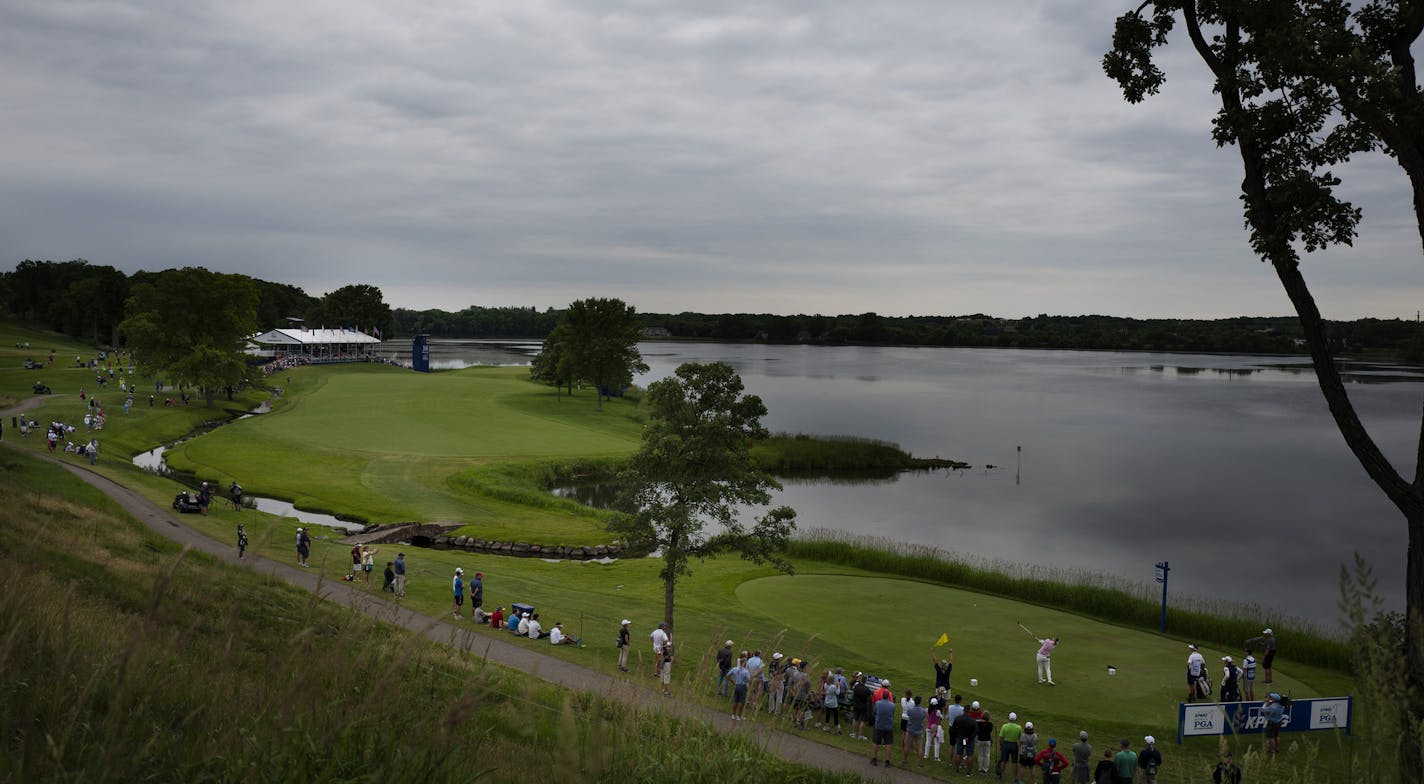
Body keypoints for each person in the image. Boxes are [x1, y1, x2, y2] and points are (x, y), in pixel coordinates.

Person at [870, 685, 896, 767]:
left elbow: (874, 713)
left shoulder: (877, 703)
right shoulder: (892, 705)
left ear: (882, 696)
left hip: (879, 725)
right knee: (888, 744)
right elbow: (892, 714)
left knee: (876, 742)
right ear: (888, 696)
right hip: (888, 726)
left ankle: (874, 759)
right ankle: (887, 761)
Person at [951, 702, 978, 774]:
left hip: (960, 738)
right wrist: (969, 737)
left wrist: (958, 735)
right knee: (970, 755)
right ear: (969, 711)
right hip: (969, 739)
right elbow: (975, 732)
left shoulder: (958, 719)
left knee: (958, 753)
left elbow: (953, 729)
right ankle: (968, 772)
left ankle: (957, 769)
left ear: (963, 710)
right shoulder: (972, 721)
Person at [998, 710, 1024, 781]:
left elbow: (1000, 738)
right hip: (1014, 744)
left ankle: (1002, 776)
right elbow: (1021, 740)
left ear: (1009, 718)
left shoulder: (1004, 726)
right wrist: (1021, 746)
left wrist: (1001, 745)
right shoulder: (1018, 727)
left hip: (1006, 744)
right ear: (1015, 719)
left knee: (1003, 760)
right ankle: (1015, 777)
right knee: (1014, 762)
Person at [903, 694, 926, 767]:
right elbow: (923, 717)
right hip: (919, 730)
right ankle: (920, 763)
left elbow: (909, 715)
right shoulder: (923, 711)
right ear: (920, 702)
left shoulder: (910, 710)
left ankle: (905, 760)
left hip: (910, 730)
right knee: (919, 747)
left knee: (907, 745)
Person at [851, 672, 872, 741]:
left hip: (856, 705)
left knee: (855, 719)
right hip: (863, 706)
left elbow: (854, 695)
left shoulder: (856, 687)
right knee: (863, 721)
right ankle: (860, 735)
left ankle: (853, 733)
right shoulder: (867, 689)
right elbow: (869, 699)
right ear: (865, 681)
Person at [729, 655, 751, 720]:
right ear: (744, 663)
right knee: (741, 701)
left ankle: (733, 714)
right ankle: (739, 715)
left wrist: (733, 681)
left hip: (737, 685)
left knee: (735, 700)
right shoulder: (746, 672)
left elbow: (728, 675)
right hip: (743, 686)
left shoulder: (735, 669)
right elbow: (749, 680)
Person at [924, 697, 944, 762]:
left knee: (928, 741)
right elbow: (942, 717)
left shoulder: (927, 710)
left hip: (928, 727)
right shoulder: (937, 711)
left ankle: (926, 755)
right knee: (937, 743)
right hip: (935, 728)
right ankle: (936, 757)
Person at [822, 670, 842, 734]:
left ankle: (826, 727)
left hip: (827, 701)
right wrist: (838, 686)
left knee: (827, 715)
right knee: (835, 716)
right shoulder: (833, 687)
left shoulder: (825, 684)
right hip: (833, 703)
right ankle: (837, 730)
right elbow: (838, 693)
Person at [975, 708, 995, 773]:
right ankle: (985, 768)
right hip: (987, 740)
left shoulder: (979, 723)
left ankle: (980, 768)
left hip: (980, 740)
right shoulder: (990, 724)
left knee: (981, 754)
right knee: (987, 755)